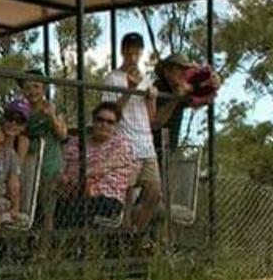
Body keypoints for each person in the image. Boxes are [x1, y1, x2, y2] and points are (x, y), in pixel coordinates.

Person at [101, 33, 160, 228]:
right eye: (129, 53)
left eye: (136, 53)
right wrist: (129, 90)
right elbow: (110, 115)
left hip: (146, 143)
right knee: (127, 194)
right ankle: (124, 236)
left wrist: (152, 98)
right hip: (125, 142)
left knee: (154, 192)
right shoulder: (112, 79)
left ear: (141, 53)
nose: (133, 58)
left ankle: (136, 232)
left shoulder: (146, 80)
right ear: (122, 52)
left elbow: (151, 119)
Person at [58, 101, 136, 228]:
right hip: (74, 192)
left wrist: (80, 175)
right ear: (93, 121)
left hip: (108, 197)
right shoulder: (75, 143)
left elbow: (102, 167)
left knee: (77, 207)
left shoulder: (122, 145)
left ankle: (71, 245)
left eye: (110, 122)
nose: (104, 124)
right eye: (100, 120)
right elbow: (64, 169)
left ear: (116, 126)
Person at [20, 71, 69, 228]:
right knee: (27, 207)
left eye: (36, 86)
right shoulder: (21, 112)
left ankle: (44, 251)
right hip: (28, 167)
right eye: (27, 87)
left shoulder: (53, 108)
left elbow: (62, 135)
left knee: (47, 210)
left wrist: (52, 117)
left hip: (49, 166)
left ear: (44, 88)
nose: (32, 91)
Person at [151, 52, 218, 164]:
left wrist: (214, 81)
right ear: (167, 71)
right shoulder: (157, 88)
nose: (184, 72)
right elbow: (157, 122)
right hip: (152, 150)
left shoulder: (183, 89)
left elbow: (204, 93)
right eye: (180, 68)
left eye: (186, 69)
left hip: (169, 151)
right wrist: (176, 98)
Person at [2, 97, 31, 164]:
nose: (13, 123)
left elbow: (17, 169)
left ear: (24, 127)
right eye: (10, 117)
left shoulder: (22, 142)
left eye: (19, 120)